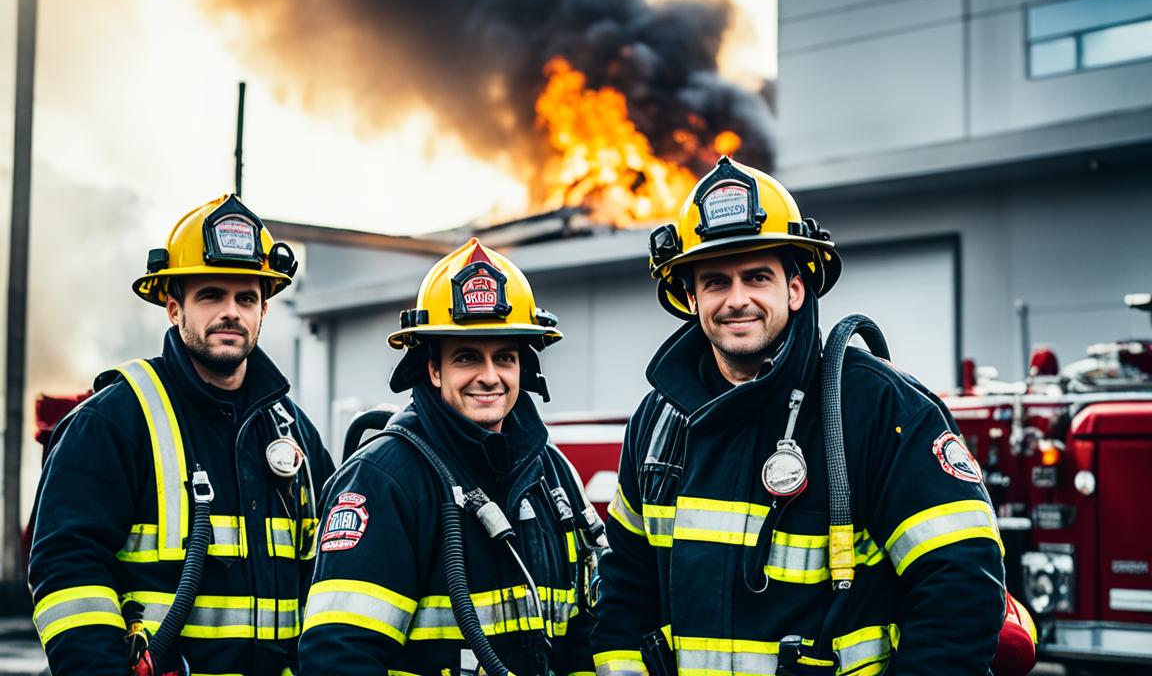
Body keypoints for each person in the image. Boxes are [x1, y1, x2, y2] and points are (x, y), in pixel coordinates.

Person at [591, 157, 1007, 675]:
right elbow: (625, 591)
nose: (736, 299)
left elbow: (960, 584)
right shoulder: (657, 422)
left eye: (756, 276)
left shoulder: (878, 406)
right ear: (691, 296)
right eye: (716, 281)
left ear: (795, 287)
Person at [30, 194, 335, 676]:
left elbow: (327, 575)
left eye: (246, 298)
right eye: (211, 295)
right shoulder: (113, 421)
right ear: (173, 308)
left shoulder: (294, 431)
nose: (230, 312)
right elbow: (67, 570)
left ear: (263, 312)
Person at [299, 237, 601, 676]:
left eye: (505, 357)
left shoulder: (553, 475)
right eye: (467, 357)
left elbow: (586, 635)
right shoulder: (383, 481)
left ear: (524, 368)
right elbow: (340, 658)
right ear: (434, 369)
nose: (490, 376)